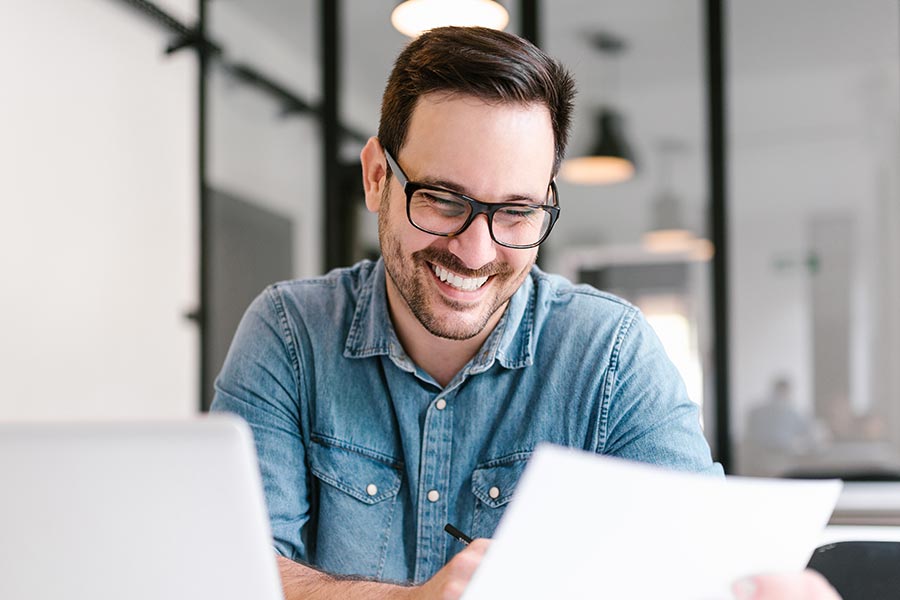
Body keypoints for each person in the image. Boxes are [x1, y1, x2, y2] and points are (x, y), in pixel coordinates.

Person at [212, 26, 840, 600]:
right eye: (442, 200)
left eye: (515, 213)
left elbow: (702, 572)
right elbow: (234, 572)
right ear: (377, 177)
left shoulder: (611, 354)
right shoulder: (290, 334)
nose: (476, 251)